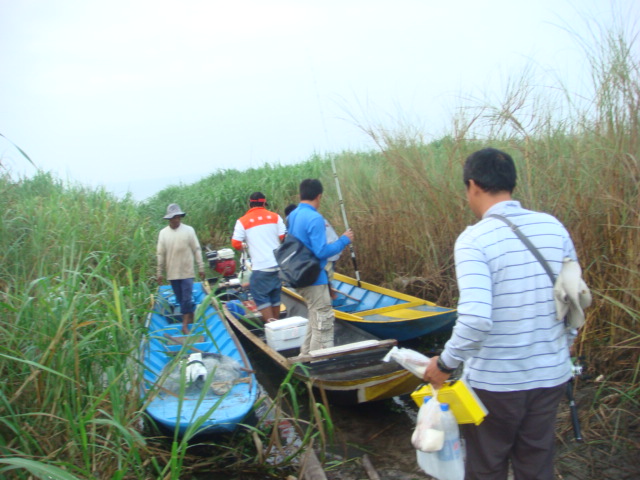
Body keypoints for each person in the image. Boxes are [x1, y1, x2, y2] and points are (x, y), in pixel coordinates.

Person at [423, 148, 581, 480]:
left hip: (496, 384)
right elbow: (574, 299)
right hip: (551, 376)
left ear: (472, 185)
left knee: (486, 466)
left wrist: (445, 363)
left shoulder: (474, 240)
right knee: (536, 465)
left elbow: (477, 319)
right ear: (511, 183)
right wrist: (562, 346)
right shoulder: (554, 228)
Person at [286, 179, 354, 355]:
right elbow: (322, 251)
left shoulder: (293, 215)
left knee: (315, 318)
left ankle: (305, 356)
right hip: (314, 278)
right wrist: (344, 240)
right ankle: (320, 362)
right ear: (319, 196)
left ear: (300, 195)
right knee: (323, 322)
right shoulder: (315, 217)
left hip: (297, 275)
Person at [231, 192, 286, 322]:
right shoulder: (275, 217)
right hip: (277, 267)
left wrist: (245, 245)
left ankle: (271, 326)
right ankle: (276, 324)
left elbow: (235, 243)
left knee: (259, 294)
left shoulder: (242, 221)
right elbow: (283, 237)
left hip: (261, 267)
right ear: (264, 203)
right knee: (274, 295)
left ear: (250, 204)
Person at [156, 203, 205, 335]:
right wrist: (159, 272)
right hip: (172, 273)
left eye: (178, 217)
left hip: (187, 271)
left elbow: (196, 249)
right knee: (180, 298)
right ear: (169, 219)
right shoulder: (163, 234)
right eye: (173, 218)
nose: (176, 220)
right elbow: (160, 253)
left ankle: (185, 326)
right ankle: (190, 316)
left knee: (186, 298)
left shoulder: (189, 230)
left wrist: (201, 267)